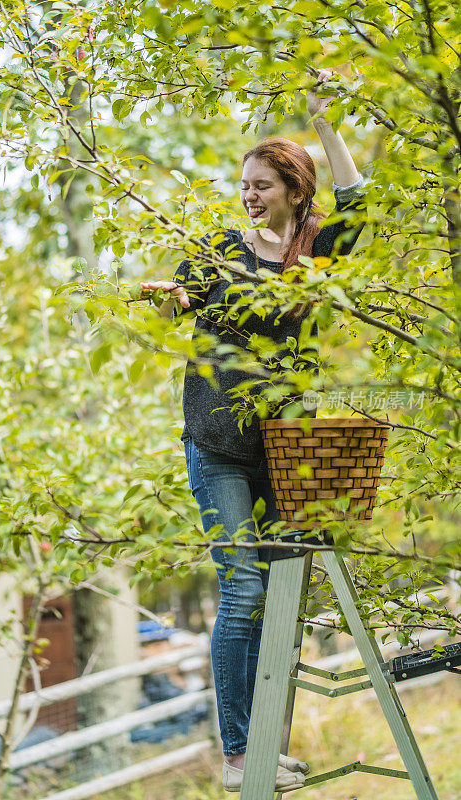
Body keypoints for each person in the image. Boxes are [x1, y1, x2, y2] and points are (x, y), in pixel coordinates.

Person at [142, 69, 367, 792]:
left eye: (263, 184)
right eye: (244, 183)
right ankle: (238, 752)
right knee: (240, 590)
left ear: (296, 191)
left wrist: (325, 121)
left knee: (283, 598)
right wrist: (169, 301)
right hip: (218, 443)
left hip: (287, 448)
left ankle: (269, 737)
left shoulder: (316, 254)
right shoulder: (219, 251)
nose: (249, 194)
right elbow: (176, 307)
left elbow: (362, 204)